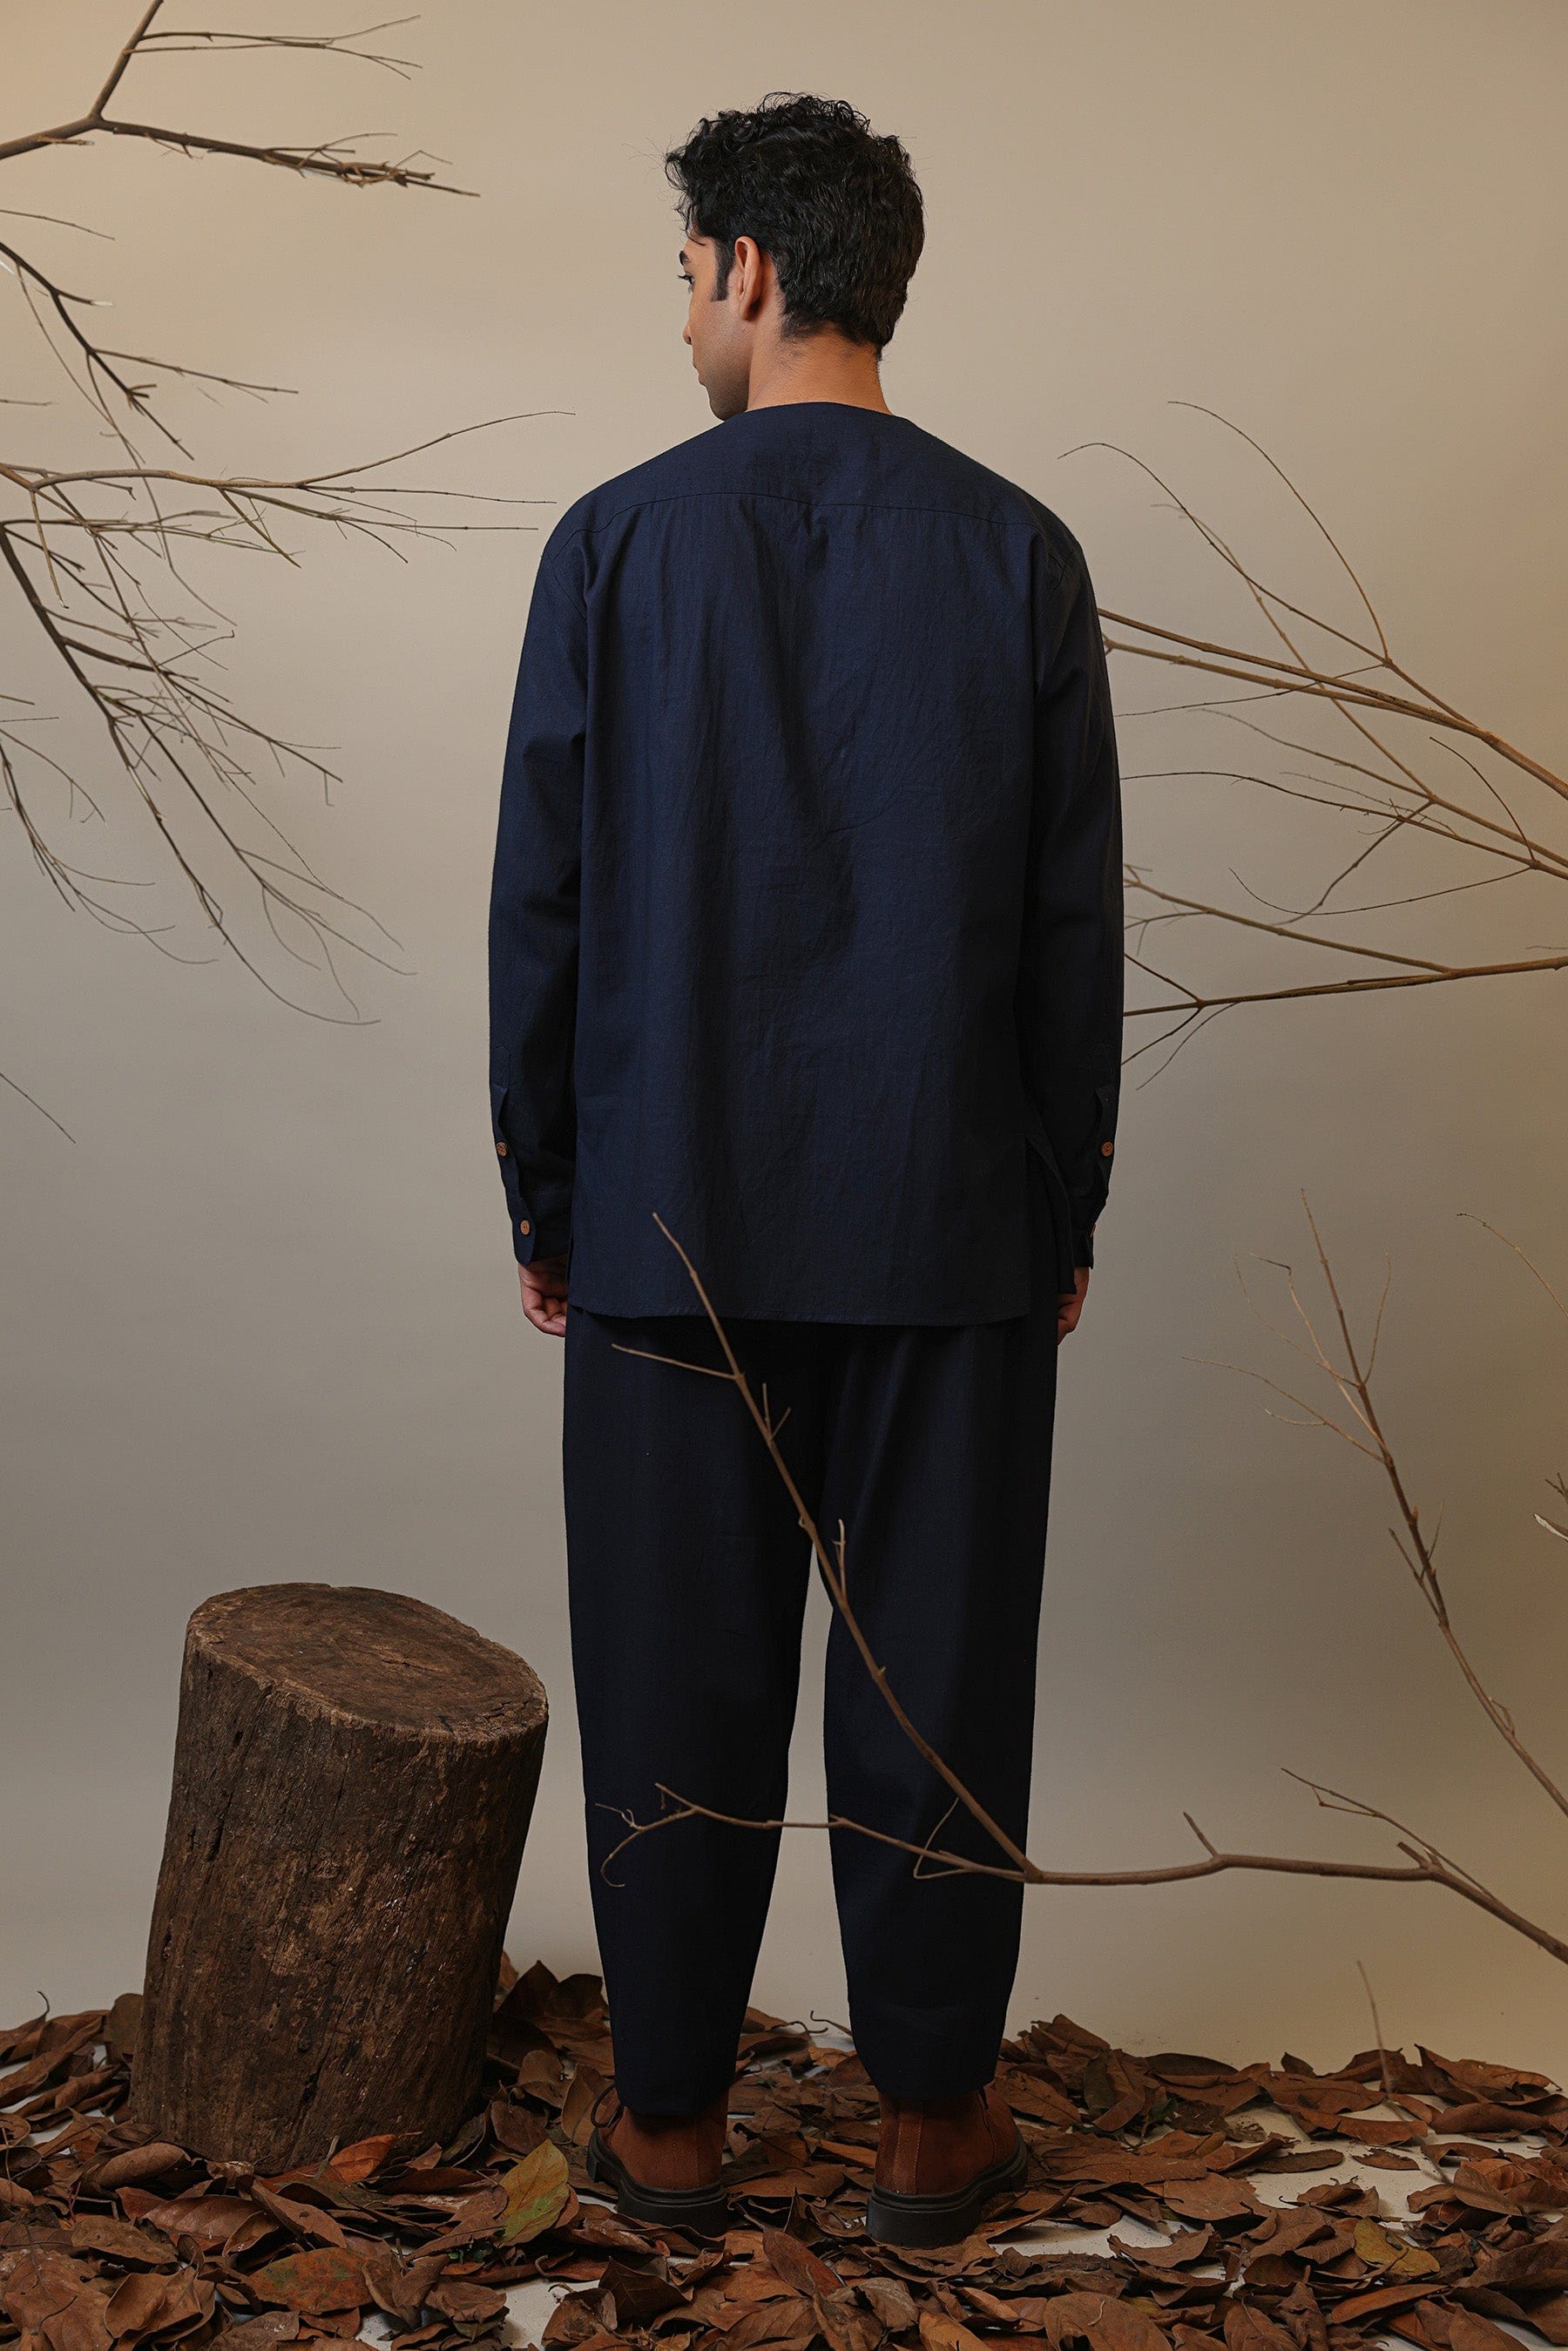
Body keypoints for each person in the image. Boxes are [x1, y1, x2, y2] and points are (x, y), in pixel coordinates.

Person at [487, 91, 1123, 2246]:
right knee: (936, 1682)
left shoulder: (613, 544)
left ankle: (669, 2132)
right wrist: (1064, 1205)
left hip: (669, 1215)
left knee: (674, 1676)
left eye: (688, 274)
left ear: (753, 269)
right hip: (949, 1217)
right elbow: (1074, 926)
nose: (684, 314)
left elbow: (546, 904)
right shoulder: (1021, 552)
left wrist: (548, 1194)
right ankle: (934, 2131)